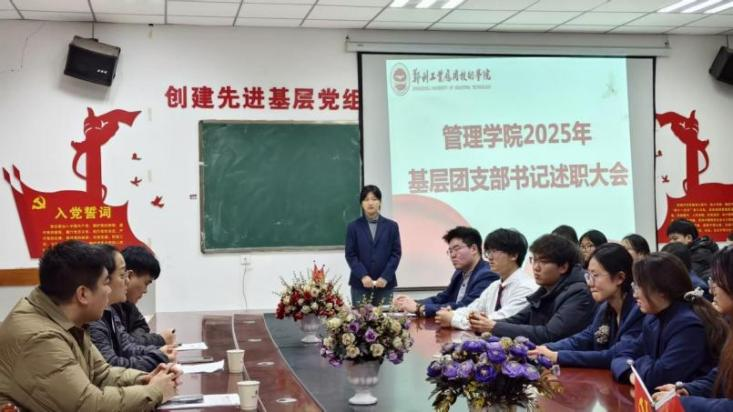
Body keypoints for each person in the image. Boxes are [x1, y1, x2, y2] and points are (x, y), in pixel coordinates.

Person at [0, 240, 179, 411]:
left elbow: (102, 374)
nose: (109, 290)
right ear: (83, 294)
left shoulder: (68, 321)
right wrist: (154, 391)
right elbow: (88, 405)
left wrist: (147, 378)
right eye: (105, 283)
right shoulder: (40, 339)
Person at [610, 252, 726, 389]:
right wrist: (631, 374)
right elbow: (620, 356)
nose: (634, 294)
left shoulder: (688, 326)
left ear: (662, 290)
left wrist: (638, 363)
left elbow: (656, 379)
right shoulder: (652, 319)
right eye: (634, 286)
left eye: (639, 287)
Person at [529, 243, 644, 368]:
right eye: (588, 275)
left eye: (595, 275)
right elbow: (584, 338)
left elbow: (615, 355)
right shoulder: (604, 307)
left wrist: (557, 356)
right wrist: (544, 348)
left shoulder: (639, 310)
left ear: (620, 278)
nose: (590, 283)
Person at [652, 246, 733, 411]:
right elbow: (721, 376)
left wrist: (685, 403)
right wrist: (687, 390)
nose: (711, 288)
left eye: (718, 280)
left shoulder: (688, 323)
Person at [476, 234, 596, 344]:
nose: (536, 267)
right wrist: (484, 323)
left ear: (563, 267)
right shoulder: (547, 289)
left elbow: (550, 334)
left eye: (543, 262)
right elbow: (518, 319)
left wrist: (494, 326)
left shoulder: (579, 293)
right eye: (534, 260)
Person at [89, 245, 175, 372]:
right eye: (122, 275)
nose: (127, 281)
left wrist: (160, 353)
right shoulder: (93, 318)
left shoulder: (110, 310)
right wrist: (158, 354)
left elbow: (127, 346)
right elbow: (111, 366)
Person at [435, 228, 537, 330]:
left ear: (514, 255)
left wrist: (453, 319)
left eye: (494, 251)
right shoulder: (495, 286)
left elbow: (498, 321)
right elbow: (472, 309)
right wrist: (452, 313)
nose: (489, 257)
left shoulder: (526, 288)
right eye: (488, 252)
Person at [393, 226, 497, 317]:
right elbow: (442, 298)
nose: (452, 255)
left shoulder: (487, 275)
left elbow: (465, 307)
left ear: (473, 249)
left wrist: (419, 308)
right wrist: (410, 303)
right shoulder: (459, 273)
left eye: (457, 249)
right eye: (450, 251)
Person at [345, 185, 402, 306]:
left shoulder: (392, 226)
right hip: (360, 284)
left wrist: (385, 276)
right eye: (366, 199)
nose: (370, 203)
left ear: (380, 202)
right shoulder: (353, 227)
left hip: (385, 284)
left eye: (374, 199)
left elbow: (396, 253)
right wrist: (363, 276)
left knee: (384, 317)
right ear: (361, 203)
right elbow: (350, 254)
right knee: (360, 317)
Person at [113, 246, 174, 346]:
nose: (145, 291)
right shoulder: (107, 308)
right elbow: (123, 346)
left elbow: (142, 327)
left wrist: (132, 338)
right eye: (146, 283)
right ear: (130, 276)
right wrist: (160, 339)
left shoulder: (128, 305)